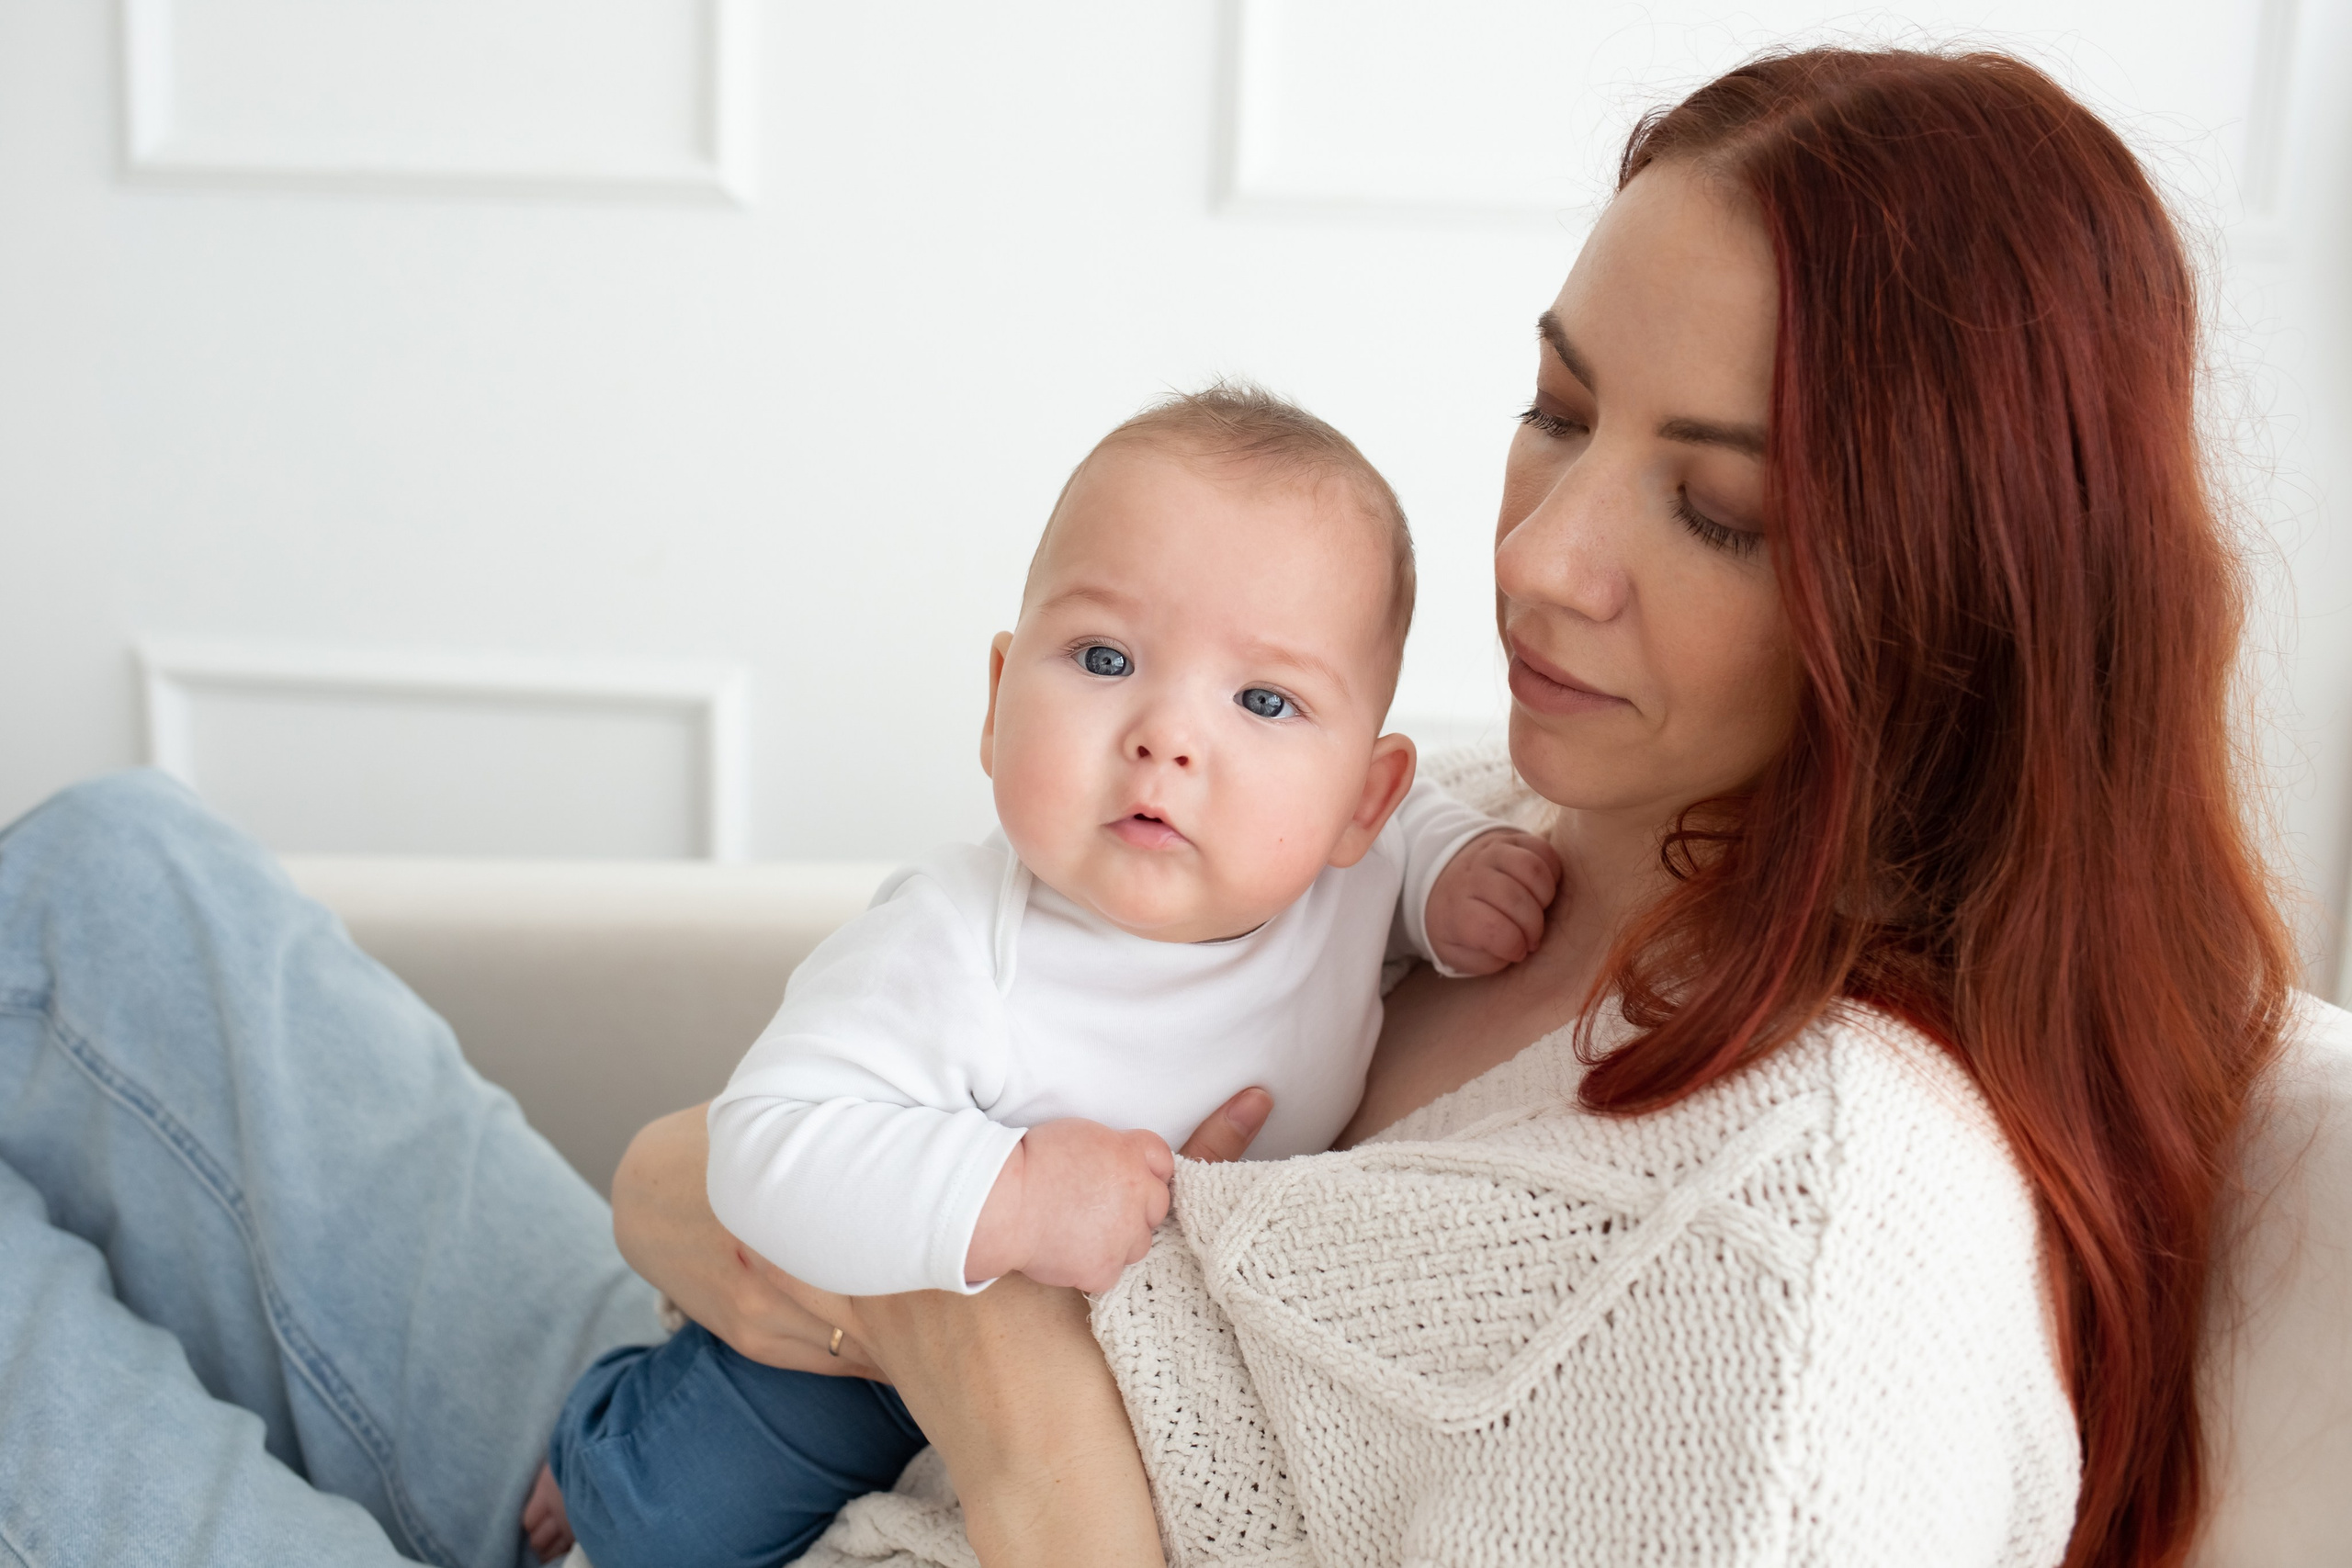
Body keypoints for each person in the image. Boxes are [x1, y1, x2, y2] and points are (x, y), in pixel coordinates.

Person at [0, 45, 2307, 1568]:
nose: (1533, 556)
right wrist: (838, 1246)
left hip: (835, 1465)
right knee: (102, 881)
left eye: (1709, 507)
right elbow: (709, 1176)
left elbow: (908, 1275)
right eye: (1553, 409)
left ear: (1950, 602)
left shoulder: (1798, 1256)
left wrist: (974, 1337)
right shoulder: (1480, 815)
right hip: (728, 1419)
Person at [540, 387, 1556, 1568]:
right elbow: (762, 1146)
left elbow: (1413, 829)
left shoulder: (1358, 872)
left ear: (1360, 801)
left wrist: (1450, 874)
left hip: (1106, 1385)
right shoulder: (953, 940)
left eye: (1263, 700)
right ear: (996, 701)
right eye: (1104, 658)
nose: (1166, 735)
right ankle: (596, 1437)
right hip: (857, 1344)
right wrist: (1013, 1193)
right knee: (668, 1520)